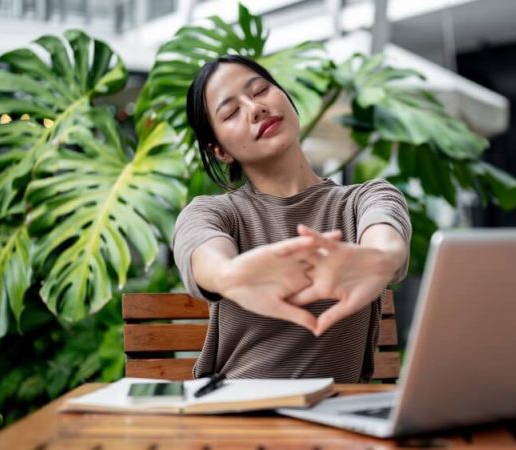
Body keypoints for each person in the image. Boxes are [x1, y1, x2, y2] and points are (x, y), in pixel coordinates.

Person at [172, 55, 411, 383]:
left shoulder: (365, 199)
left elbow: (386, 240)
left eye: (260, 91)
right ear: (221, 151)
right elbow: (206, 258)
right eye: (231, 112)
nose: (256, 108)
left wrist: (379, 259)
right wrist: (231, 275)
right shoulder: (213, 213)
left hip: (340, 408)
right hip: (239, 407)